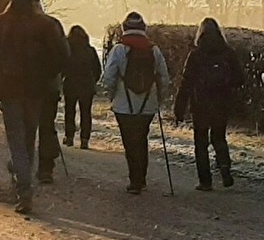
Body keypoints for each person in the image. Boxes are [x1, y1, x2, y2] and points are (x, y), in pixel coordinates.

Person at [0, 0, 67, 215]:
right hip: (36, 90)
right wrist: (47, 77)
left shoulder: (0, 24)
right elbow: (63, 57)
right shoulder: (46, 25)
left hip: (8, 88)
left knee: (16, 138)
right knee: (28, 136)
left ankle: (24, 188)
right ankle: (22, 177)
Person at [99, 12, 170, 194]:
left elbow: (108, 77)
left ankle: (134, 181)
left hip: (124, 104)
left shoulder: (119, 50)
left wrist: (113, 95)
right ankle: (141, 178)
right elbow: (164, 78)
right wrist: (158, 98)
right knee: (141, 138)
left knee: (130, 142)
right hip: (148, 104)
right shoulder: (154, 50)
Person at [173, 18, 246, 191]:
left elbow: (186, 83)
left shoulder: (196, 55)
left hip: (201, 105)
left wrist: (179, 109)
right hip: (222, 103)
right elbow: (240, 79)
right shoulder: (228, 53)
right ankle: (225, 168)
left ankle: (205, 181)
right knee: (219, 137)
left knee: (201, 142)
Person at [32, 0, 70, 184]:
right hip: (49, 86)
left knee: (23, 128)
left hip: (20, 87)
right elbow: (65, 55)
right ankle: (46, 168)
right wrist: (55, 76)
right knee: (47, 126)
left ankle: (21, 167)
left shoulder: (12, 24)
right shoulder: (52, 24)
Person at [62, 25, 101, 149]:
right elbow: (97, 70)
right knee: (86, 113)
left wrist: (62, 79)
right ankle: (84, 139)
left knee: (69, 111)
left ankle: (69, 137)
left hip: (70, 84)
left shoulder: (67, 50)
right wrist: (93, 81)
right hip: (86, 85)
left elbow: (62, 67)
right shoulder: (90, 50)